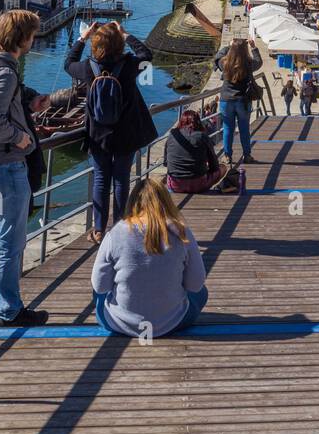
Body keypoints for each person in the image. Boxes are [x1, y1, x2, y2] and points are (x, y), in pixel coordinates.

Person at [0, 9, 50, 327]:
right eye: (32, 35)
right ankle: (10, 310)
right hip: (5, 167)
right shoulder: (4, 72)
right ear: (23, 39)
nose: (34, 40)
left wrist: (27, 104)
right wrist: (22, 140)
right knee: (10, 241)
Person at [65, 20, 159, 245]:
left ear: (96, 44)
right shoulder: (129, 65)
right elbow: (146, 55)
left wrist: (82, 38)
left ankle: (98, 229)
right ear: (119, 44)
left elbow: (68, 64)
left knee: (100, 180)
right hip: (126, 132)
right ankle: (119, 227)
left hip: (98, 134)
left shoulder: (88, 67)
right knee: (121, 180)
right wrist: (126, 34)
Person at [91, 177, 208, 338]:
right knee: (202, 293)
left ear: (132, 203)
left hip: (119, 323)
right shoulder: (181, 233)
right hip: (172, 323)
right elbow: (196, 285)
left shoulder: (115, 233)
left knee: (98, 291)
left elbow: (100, 286)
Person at [213, 37, 263, 164]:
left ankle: (227, 156)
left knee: (228, 128)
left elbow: (217, 57)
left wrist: (229, 46)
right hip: (243, 100)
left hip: (226, 100)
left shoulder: (225, 63)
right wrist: (254, 47)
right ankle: (247, 155)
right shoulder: (248, 63)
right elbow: (259, 61)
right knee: (244, 129)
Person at [164, 109, 226, 194]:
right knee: (223, 168)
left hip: (175, 185)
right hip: (198, 185)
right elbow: (214, 166)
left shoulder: (173, 135)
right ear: (198, 122)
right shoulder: (202, 136)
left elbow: (165, 162)